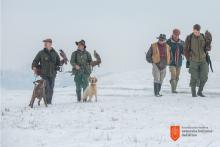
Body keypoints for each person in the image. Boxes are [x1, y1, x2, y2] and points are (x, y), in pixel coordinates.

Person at [32, 38, 61, 104]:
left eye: (46, 42)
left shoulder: (55, 53)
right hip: (44, 74)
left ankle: (49, 102)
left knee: (51, 88)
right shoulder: (41, 53)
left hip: (53, 74)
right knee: (47, 87)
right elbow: (35, 61)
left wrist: (60, 64)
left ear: (50, 44)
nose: (45, 44)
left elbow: (58, 63)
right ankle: (47, 102)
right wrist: (34, 67)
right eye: (44, 42)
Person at [184, 24, 209, 97]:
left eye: (198, 31)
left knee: (204, 76)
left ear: (199, 30)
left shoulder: (203, 36)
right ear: (193, 30)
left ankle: (200, 91)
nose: (196, 32)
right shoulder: (189, 38)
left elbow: (207, 48)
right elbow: (185, 50)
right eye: (195, 31)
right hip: (193, 61)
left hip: (203, 60)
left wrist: (208, 45)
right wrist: (189, 59)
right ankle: (193, 94)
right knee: (194, 77)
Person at [167, 29, 184, 93]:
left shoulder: (182, 42)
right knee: (173, 74)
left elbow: (184, 52)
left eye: (178, 35)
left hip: (179, 62)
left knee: (177, 76)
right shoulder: (168, 42)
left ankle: (174, 88)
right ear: (172, 34)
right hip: (171, 62)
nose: (176, 36)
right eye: (175, 35)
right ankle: (173, 90)